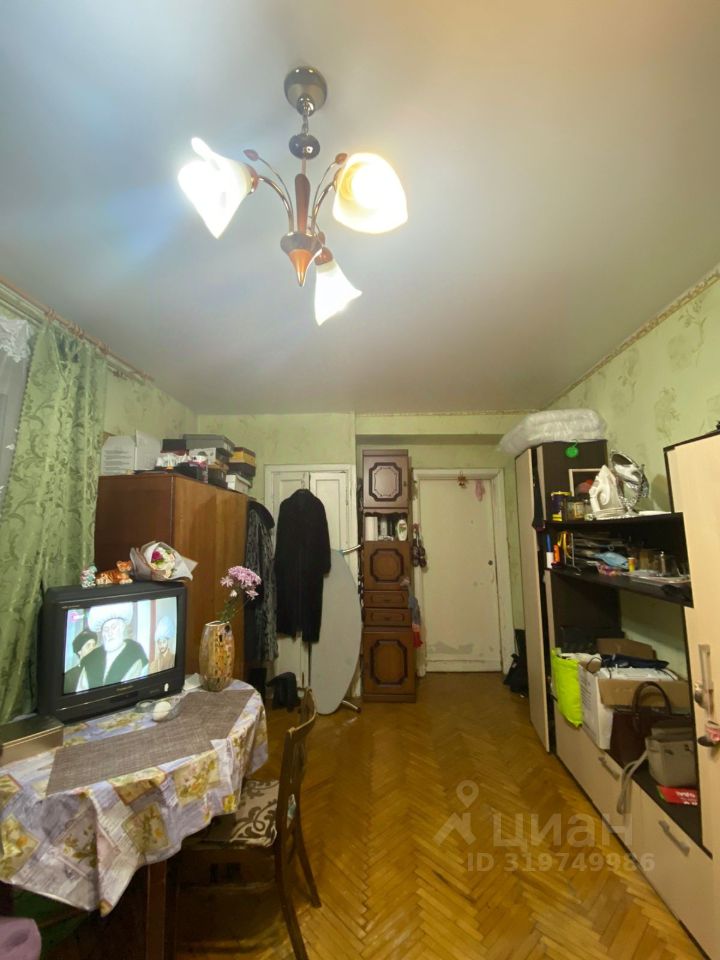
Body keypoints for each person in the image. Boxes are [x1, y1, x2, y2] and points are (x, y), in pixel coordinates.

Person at [77, 604, 148, 690]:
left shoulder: (135, 650)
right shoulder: (91, 658)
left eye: (114, 627)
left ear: (122, 627)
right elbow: (81, 690)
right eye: (106, 629)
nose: (109, 633)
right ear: (102, 633)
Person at [64, 628, 98, 694]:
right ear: (79, 651)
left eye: (93, 645)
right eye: (88, 646)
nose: (92, 649)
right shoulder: (69, 677)